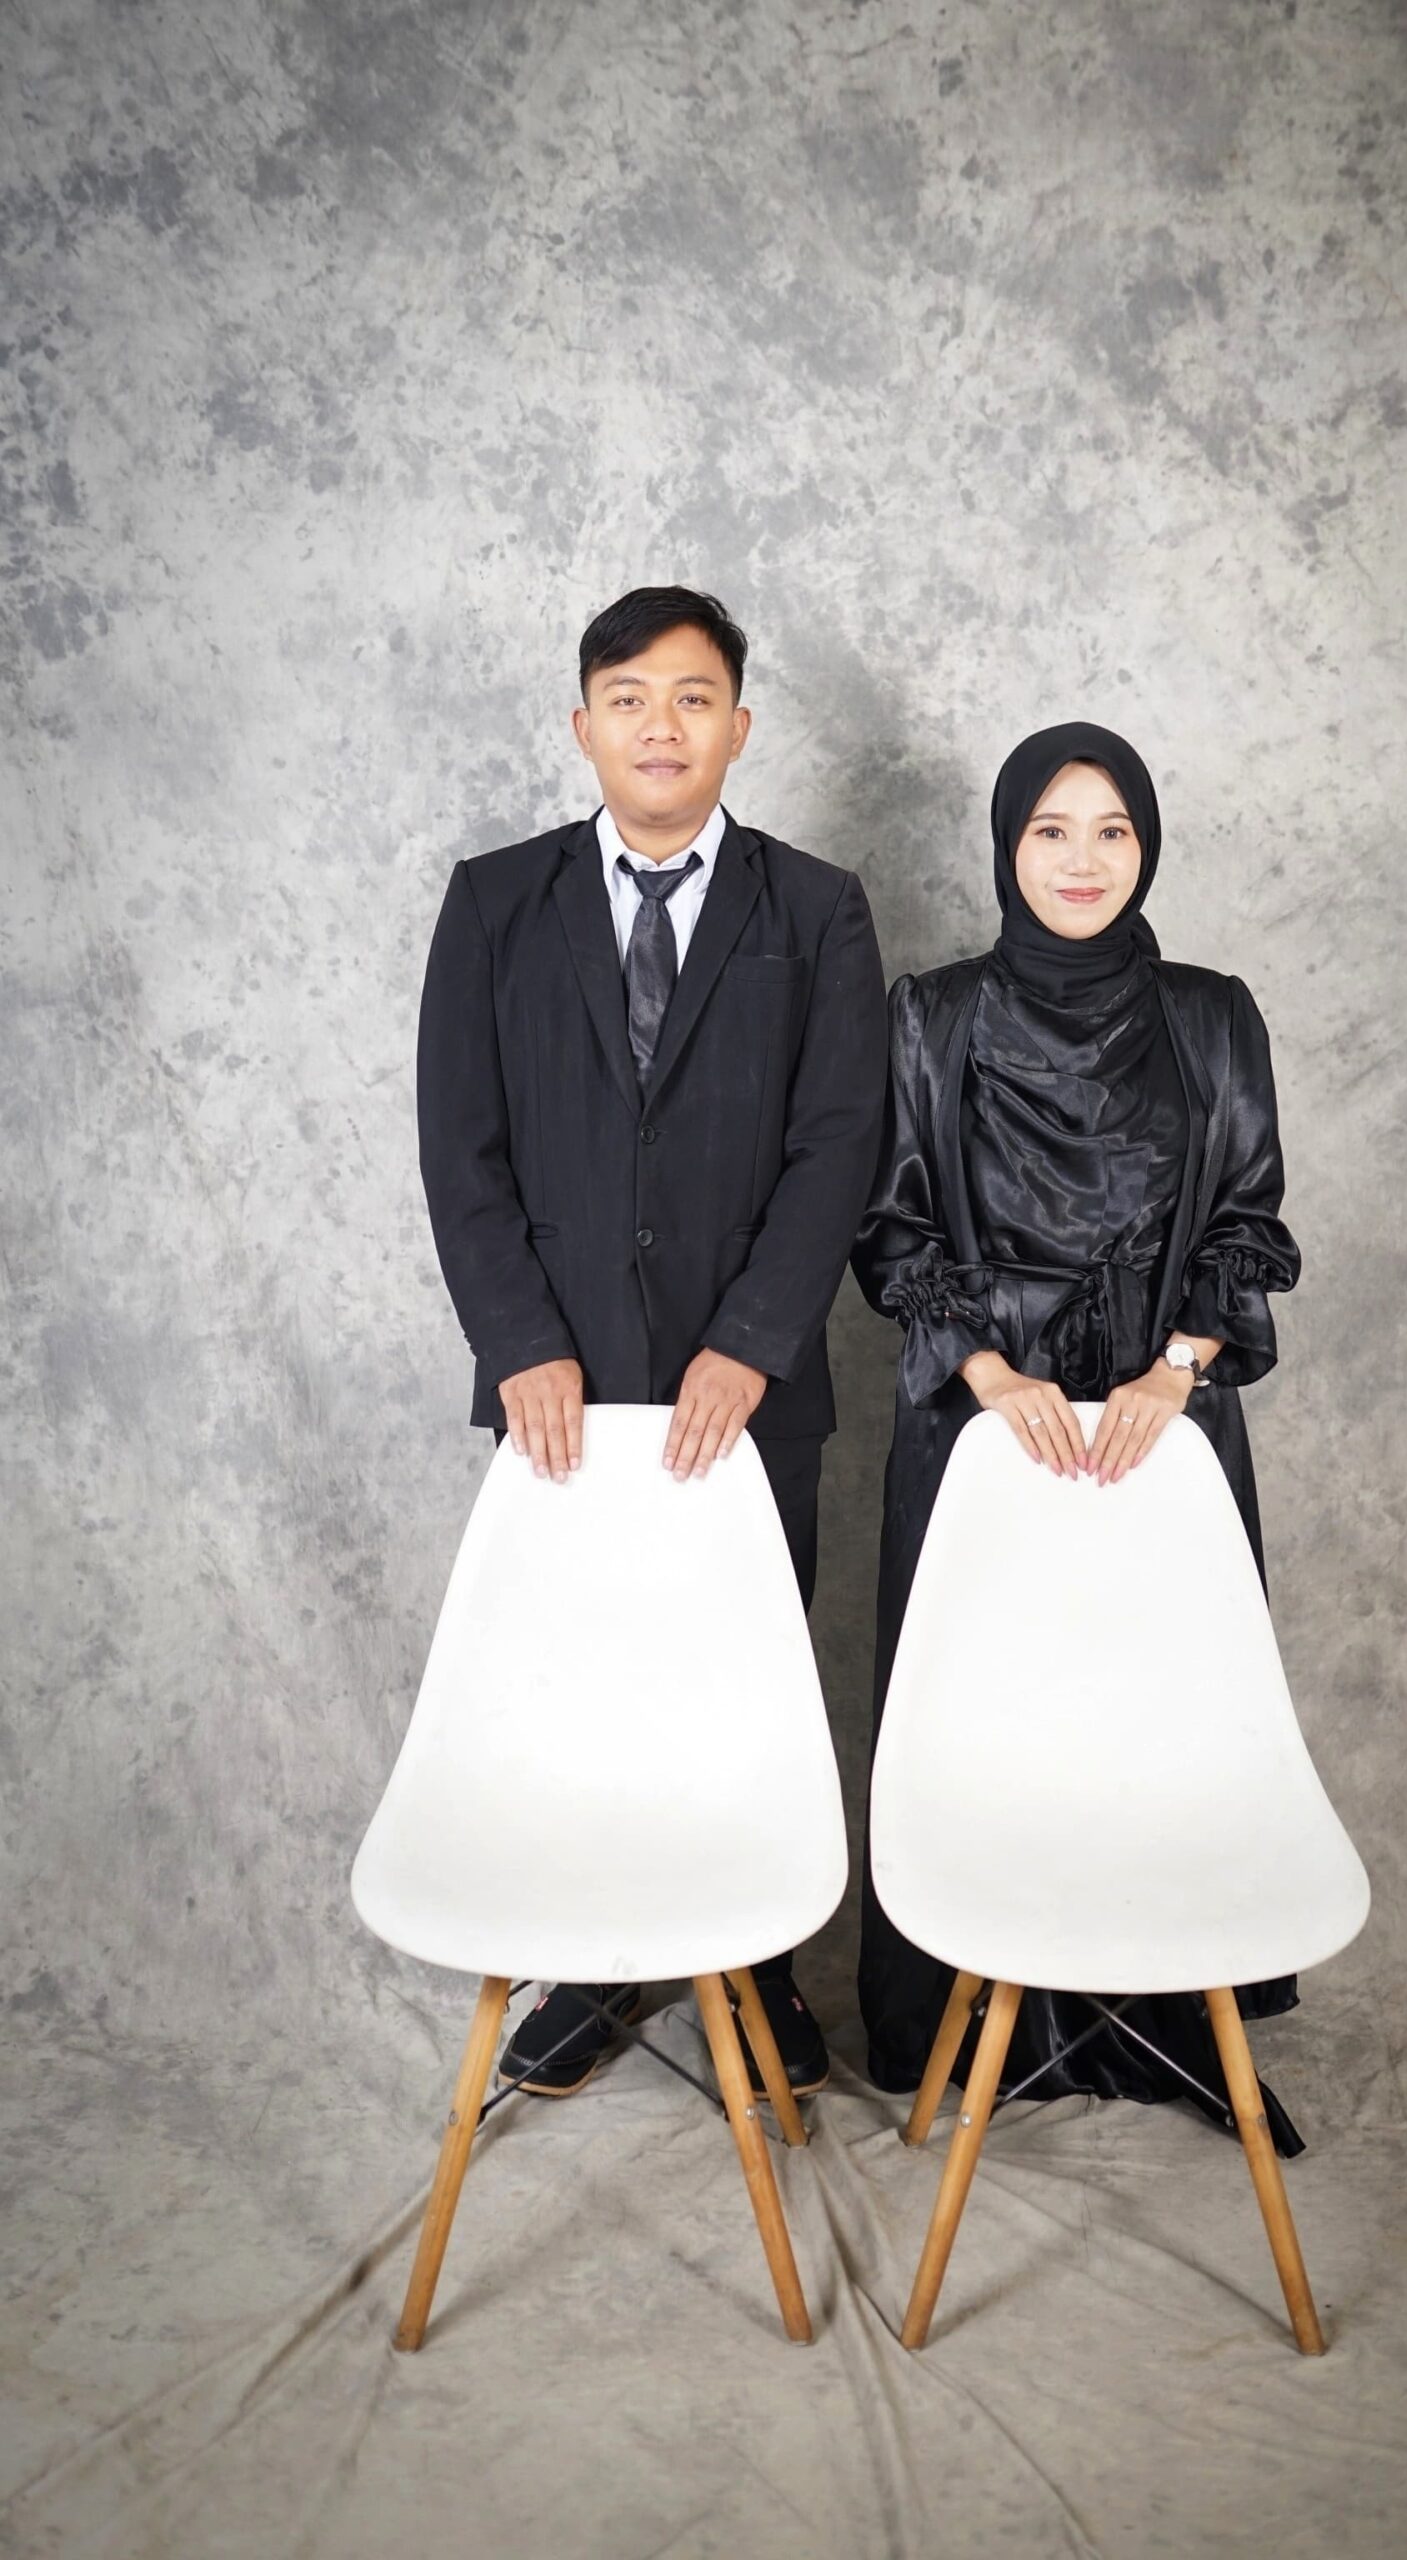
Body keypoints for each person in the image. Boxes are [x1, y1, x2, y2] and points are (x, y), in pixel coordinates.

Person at [415, 585, 887, 2100]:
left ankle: (758, 1968)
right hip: (558, 1391)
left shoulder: (815, 909)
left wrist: (754, 1339)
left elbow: (839, 1142)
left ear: (738, 727)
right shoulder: (497, 903)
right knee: (584, 1688)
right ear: (584, 728)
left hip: (749, 1395)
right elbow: (461, 1147)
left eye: (692, 698)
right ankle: (605, 1966)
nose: (661, 726)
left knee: (750, 1691)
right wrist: (519, 1341)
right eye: (629, 699)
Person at [851, 720, 1307, 2152]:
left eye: (1113, 829)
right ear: (1008, 847)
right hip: (986, 1431)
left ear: (1147, 846)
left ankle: (1161, 2017)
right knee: (988, 1724)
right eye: (1051, 829)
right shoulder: (931, 1016)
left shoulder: (1213, 1017)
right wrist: (991, 1372)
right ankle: (978, 2024)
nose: (1083, 859)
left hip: (1162, 1435)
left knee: (1163, 1724)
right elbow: (892, 1228)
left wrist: (1177, 1373)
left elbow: (1249, 1220)